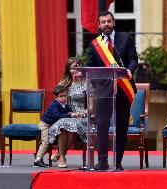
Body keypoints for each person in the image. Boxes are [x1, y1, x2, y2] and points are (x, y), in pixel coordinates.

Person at [87, 10, 138, 171]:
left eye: (109, 21)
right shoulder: (95, 44)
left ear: (113, 22)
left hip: (123, 88)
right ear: (99, 25)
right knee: (101, 126)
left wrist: (130, 70)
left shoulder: (125, 38)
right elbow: (91, 67)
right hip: (104, 91)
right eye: (103, 22)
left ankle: (117, 161)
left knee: (122, 126)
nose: (106, 24)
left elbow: (133, 59)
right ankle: (102, 161)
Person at [48, 57, 88, 168]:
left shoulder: (87, 82)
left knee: (70, 127)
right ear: (68, 70)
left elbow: (92, 103)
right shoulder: (64, 83)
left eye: (77, 67)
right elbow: (57, 100)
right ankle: (62, 157)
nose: (74, 70)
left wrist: (83, 113)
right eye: (72, 68)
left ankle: (61, 155)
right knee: (63, 124)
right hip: (67, 115)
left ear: (81, 68)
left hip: (83, 116)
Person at [34, 85, 77, 168]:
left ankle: (58, 154)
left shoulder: (65, 105)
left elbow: (69, 112)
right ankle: (37, 160)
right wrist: (70, 115)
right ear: (55, 97)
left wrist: (72, 113)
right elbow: (57, 116)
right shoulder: (54, 105)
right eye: (61, 96)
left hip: (53, 125)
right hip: (45, 125)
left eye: (65, 96)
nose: (63, 98)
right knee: (45, 141)